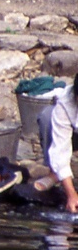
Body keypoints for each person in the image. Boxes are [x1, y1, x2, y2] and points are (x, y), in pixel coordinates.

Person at [36, 77, 78, 211]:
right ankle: (55, 173)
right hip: (73, 133)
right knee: (47, 116)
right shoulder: (66, 101)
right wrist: (71, 194)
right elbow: (60, 148)